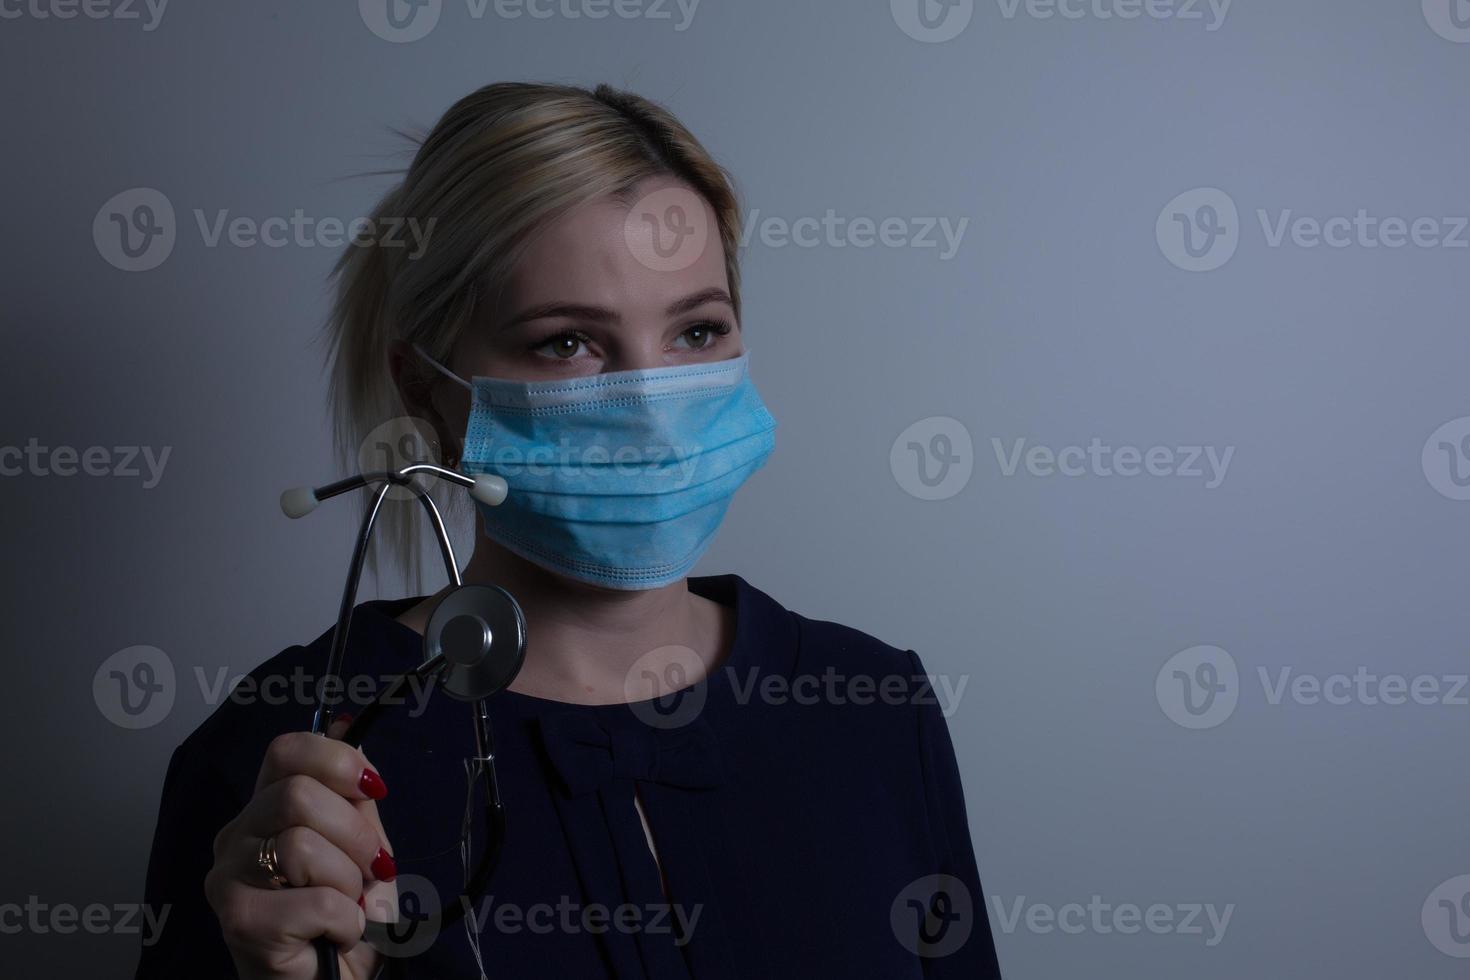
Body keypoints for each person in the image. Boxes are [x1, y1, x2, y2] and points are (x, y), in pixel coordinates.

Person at [135, 80, 1002, 980]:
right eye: (566, 342)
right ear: (425, 384)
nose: (652, 408)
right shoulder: (290, 755)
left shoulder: (871, 709)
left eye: (697, 332)